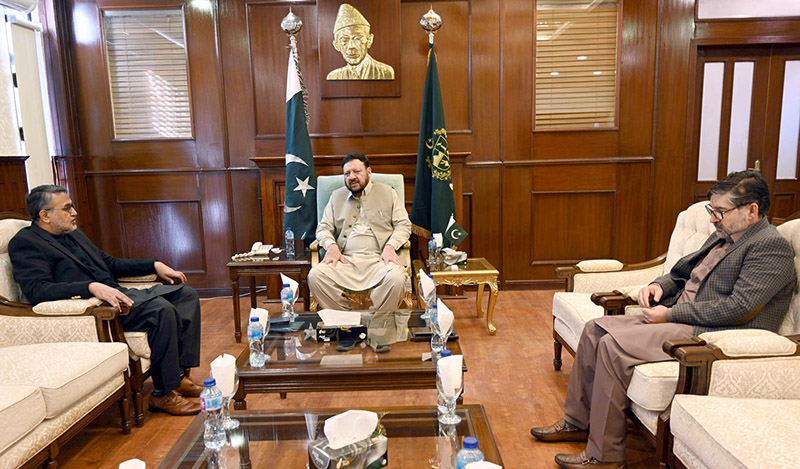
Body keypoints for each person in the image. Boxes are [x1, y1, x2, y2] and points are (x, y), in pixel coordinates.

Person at [530, 170, 796, 469]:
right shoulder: (724, 235)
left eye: (720, 211)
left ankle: (605, 456)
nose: (713, 219)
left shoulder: (770, 247)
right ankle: (576, 422)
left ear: (752, 210)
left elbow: (738, 307)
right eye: (712, 211)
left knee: (612, 346)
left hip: (713, 331)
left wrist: (669, 313)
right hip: (681, 316)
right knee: (595, 329)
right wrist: (659, 286)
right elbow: (681, 273)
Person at [9, 185, 203, 416]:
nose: (74, 212)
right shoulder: (26, 243)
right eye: (67, 208)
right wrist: (90, 287)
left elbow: (109, 263)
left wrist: (154, 265)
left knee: (186, 295)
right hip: (97, 310)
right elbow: (37, 290)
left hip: (119, 296)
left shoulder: (73, 233)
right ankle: (163, 394)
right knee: (161, 310)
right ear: (45, 216)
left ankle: (178, 376)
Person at [308, 153, 411, 310]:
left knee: (396, 278)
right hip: (345, 260)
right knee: (316, 276)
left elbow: (403, 225)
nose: (352, 177)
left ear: (368, 171)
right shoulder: (336, 197)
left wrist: (390, 247)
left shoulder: (388, 192)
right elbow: (323, 228)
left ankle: (378, 325)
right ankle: (345, 322)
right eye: (347, 174)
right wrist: (331, 246)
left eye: (357, 172)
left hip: (380, 259)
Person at [326, 3, 395, 81]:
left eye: (357, 39)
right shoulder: (334, 76)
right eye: (344, 40)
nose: (351, 46)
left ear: (369, 40)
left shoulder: (384, 72)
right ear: (336, 45)